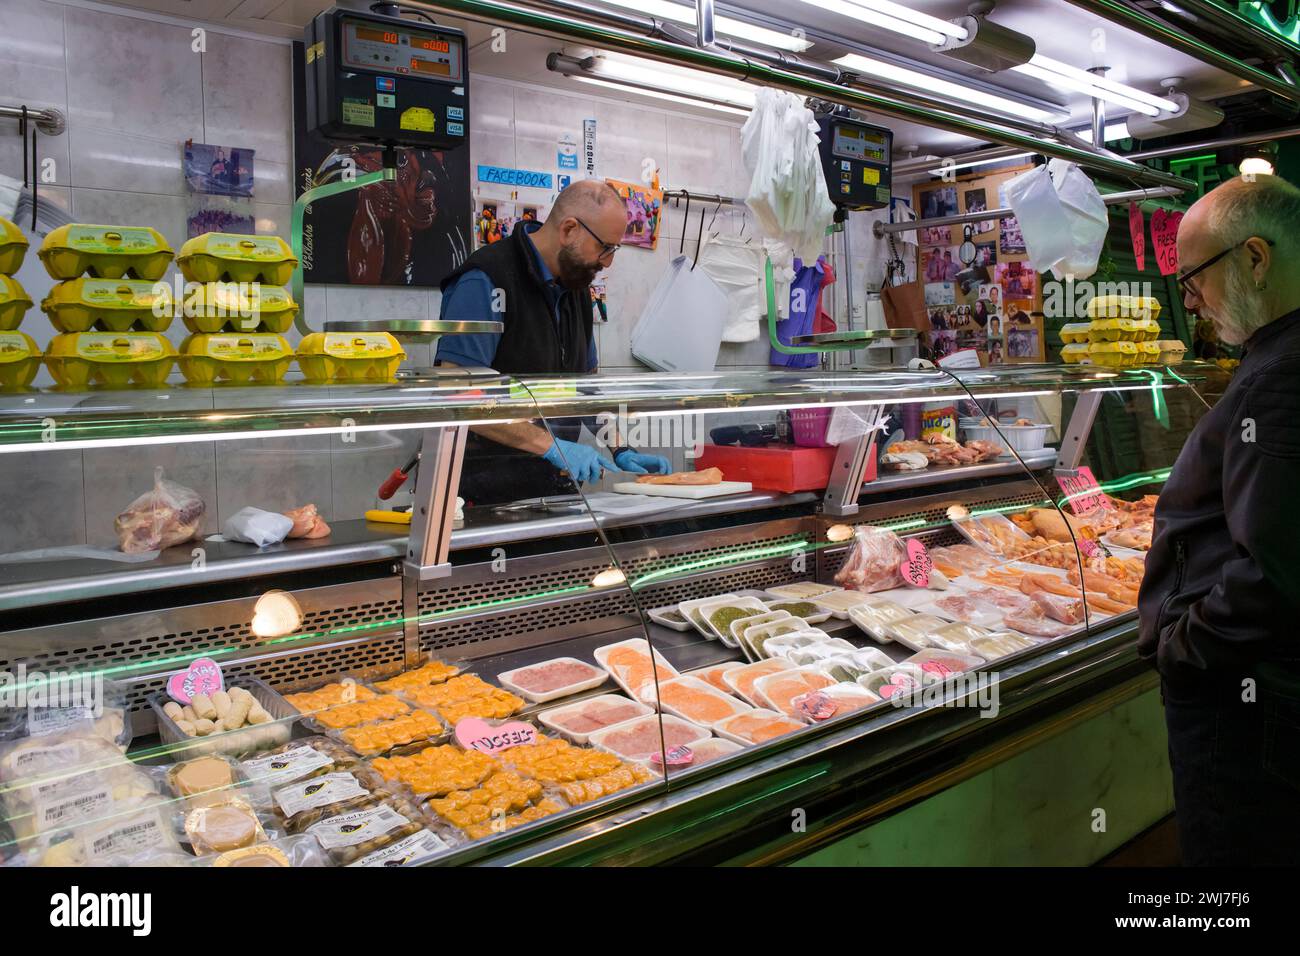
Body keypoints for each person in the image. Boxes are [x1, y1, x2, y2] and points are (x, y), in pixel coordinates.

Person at [1138, 174, 1300, 866]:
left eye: (1194, 276)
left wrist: (1183, 650)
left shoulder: (1280, 378)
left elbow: (1275, 569)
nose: (1193, 299)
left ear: (1256, 261)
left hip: (1251, 707)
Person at [437, 180, 670, 505]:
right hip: (480, 495)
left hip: (550, 492)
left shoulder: (577, 290)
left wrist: (619, 446)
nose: (607, 263)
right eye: (605, 248)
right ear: (569, 230)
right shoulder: (486, 279)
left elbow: (585, 390)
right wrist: (551, 446)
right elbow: (461, 396)